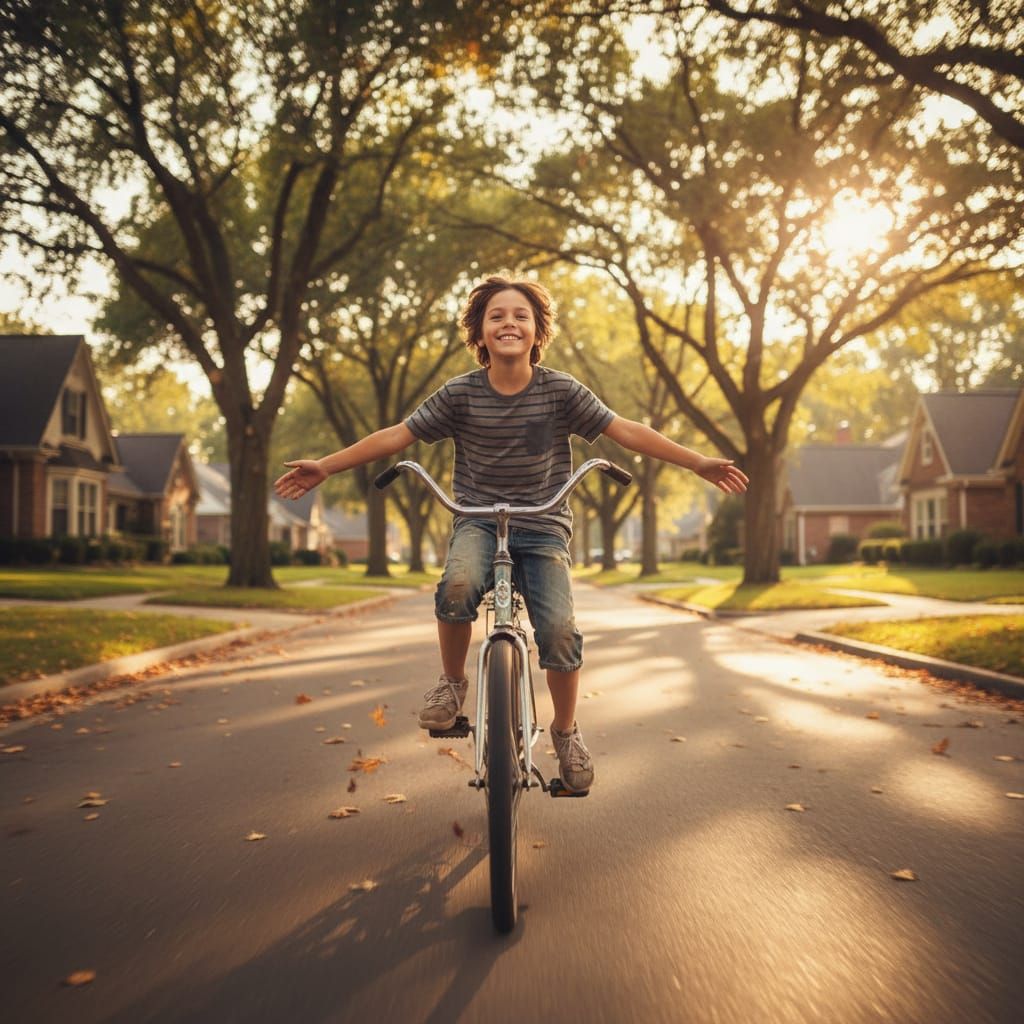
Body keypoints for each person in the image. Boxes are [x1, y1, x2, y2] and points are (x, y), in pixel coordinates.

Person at [274, 274, 748, 792]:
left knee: (560, 632)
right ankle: (453, 684)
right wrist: (328, 466)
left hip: (543, 526)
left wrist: (696, 460)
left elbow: (626, 430)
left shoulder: (561, 390)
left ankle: (566, 733)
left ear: (537, 330)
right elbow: (398, 435)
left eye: (521, 315)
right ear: (479, 332)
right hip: (477, 520)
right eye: (497, 315)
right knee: (457, 586)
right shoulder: (460, 394)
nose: (509, 324)